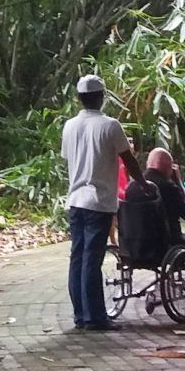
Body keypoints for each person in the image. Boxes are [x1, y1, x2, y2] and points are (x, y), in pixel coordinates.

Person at [60, 73, 131, 330]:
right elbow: (128, 159)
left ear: (80, 98)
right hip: (99, 201)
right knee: (92, 259)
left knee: (77, 258)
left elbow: (69, 158)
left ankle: (81, 315)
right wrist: (143, 183)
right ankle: (95, 318)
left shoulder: (69, 126)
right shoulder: (110, 125)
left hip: (76, 200)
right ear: (101, 97)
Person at [118, 147, 185, 267]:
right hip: (163, 248)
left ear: (148, 164)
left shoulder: (132, 186)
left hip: (133, 249)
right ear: (169, 167)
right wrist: (179, 183)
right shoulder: (169, 187)